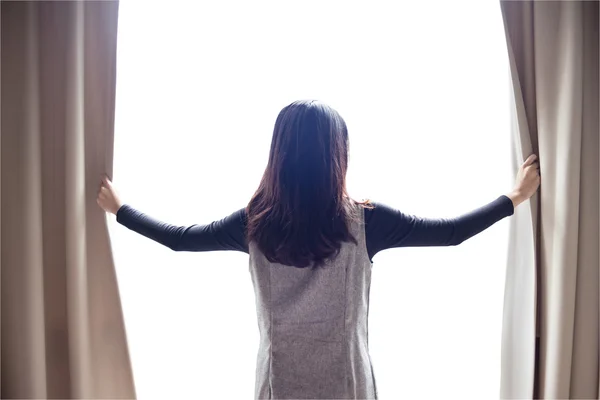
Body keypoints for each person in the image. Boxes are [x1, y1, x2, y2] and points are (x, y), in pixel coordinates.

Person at [97, 99, 540, 400]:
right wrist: (515, 198)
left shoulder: (254, 224)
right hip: (348, 384)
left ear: (280, 154)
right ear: (338, 155)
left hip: (278, 385)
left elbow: (179, 238)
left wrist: (120, 209)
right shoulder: (367, 221)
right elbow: (451, 232)